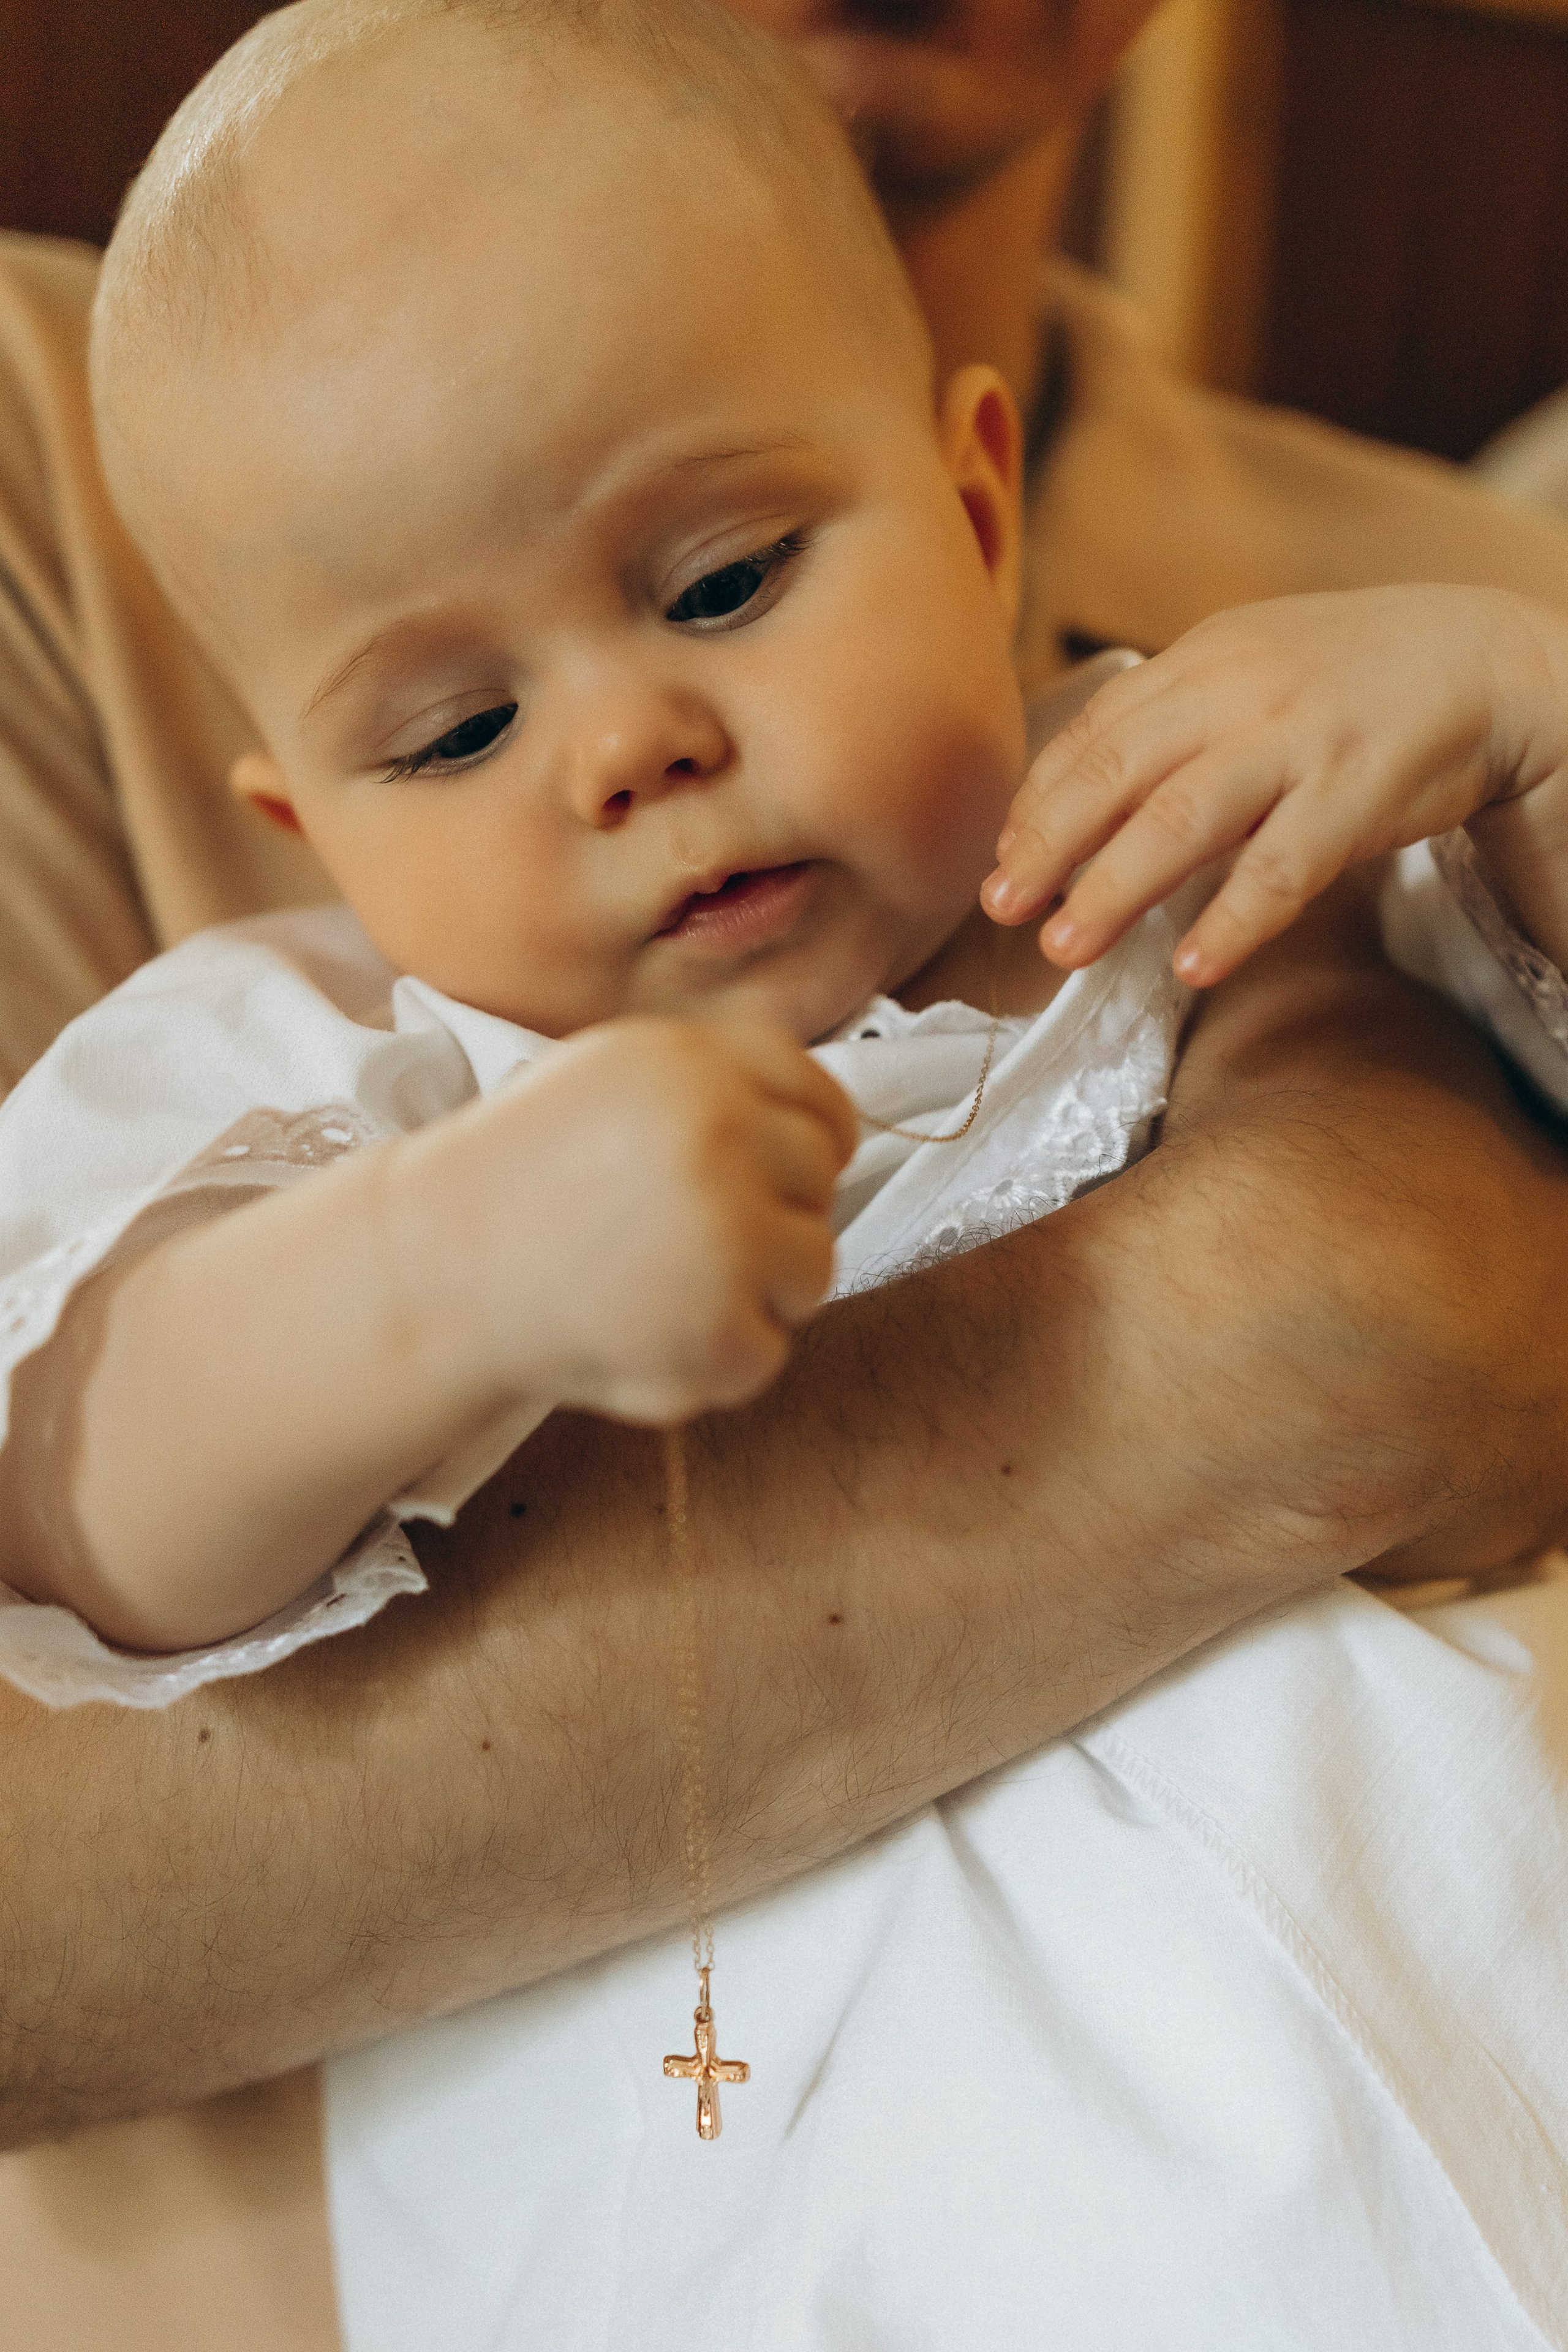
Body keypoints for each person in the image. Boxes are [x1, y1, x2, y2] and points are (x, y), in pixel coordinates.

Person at [1, 1, 1567, 2346]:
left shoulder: (1198, 808)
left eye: (724, 583)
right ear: (309, 828)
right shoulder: (331, 1071)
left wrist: (1526, 723)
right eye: (453, 731)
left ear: (970, 506)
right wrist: (434, 1282)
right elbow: (74, 1497)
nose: (630, 743)